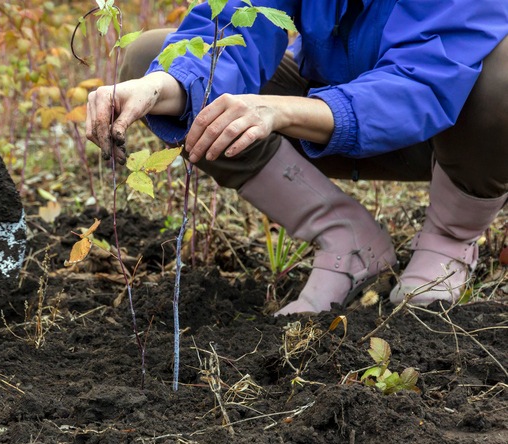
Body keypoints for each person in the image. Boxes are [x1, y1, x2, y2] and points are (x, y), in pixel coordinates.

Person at [85, 1, 508, 315]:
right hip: (325, 118)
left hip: (443, 131)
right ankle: (345, 236)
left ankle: (449, 241)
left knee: (502, 74)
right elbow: (240, 23)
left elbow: (421, 85)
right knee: (153, 57)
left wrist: (282, 111)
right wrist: (160, 86)